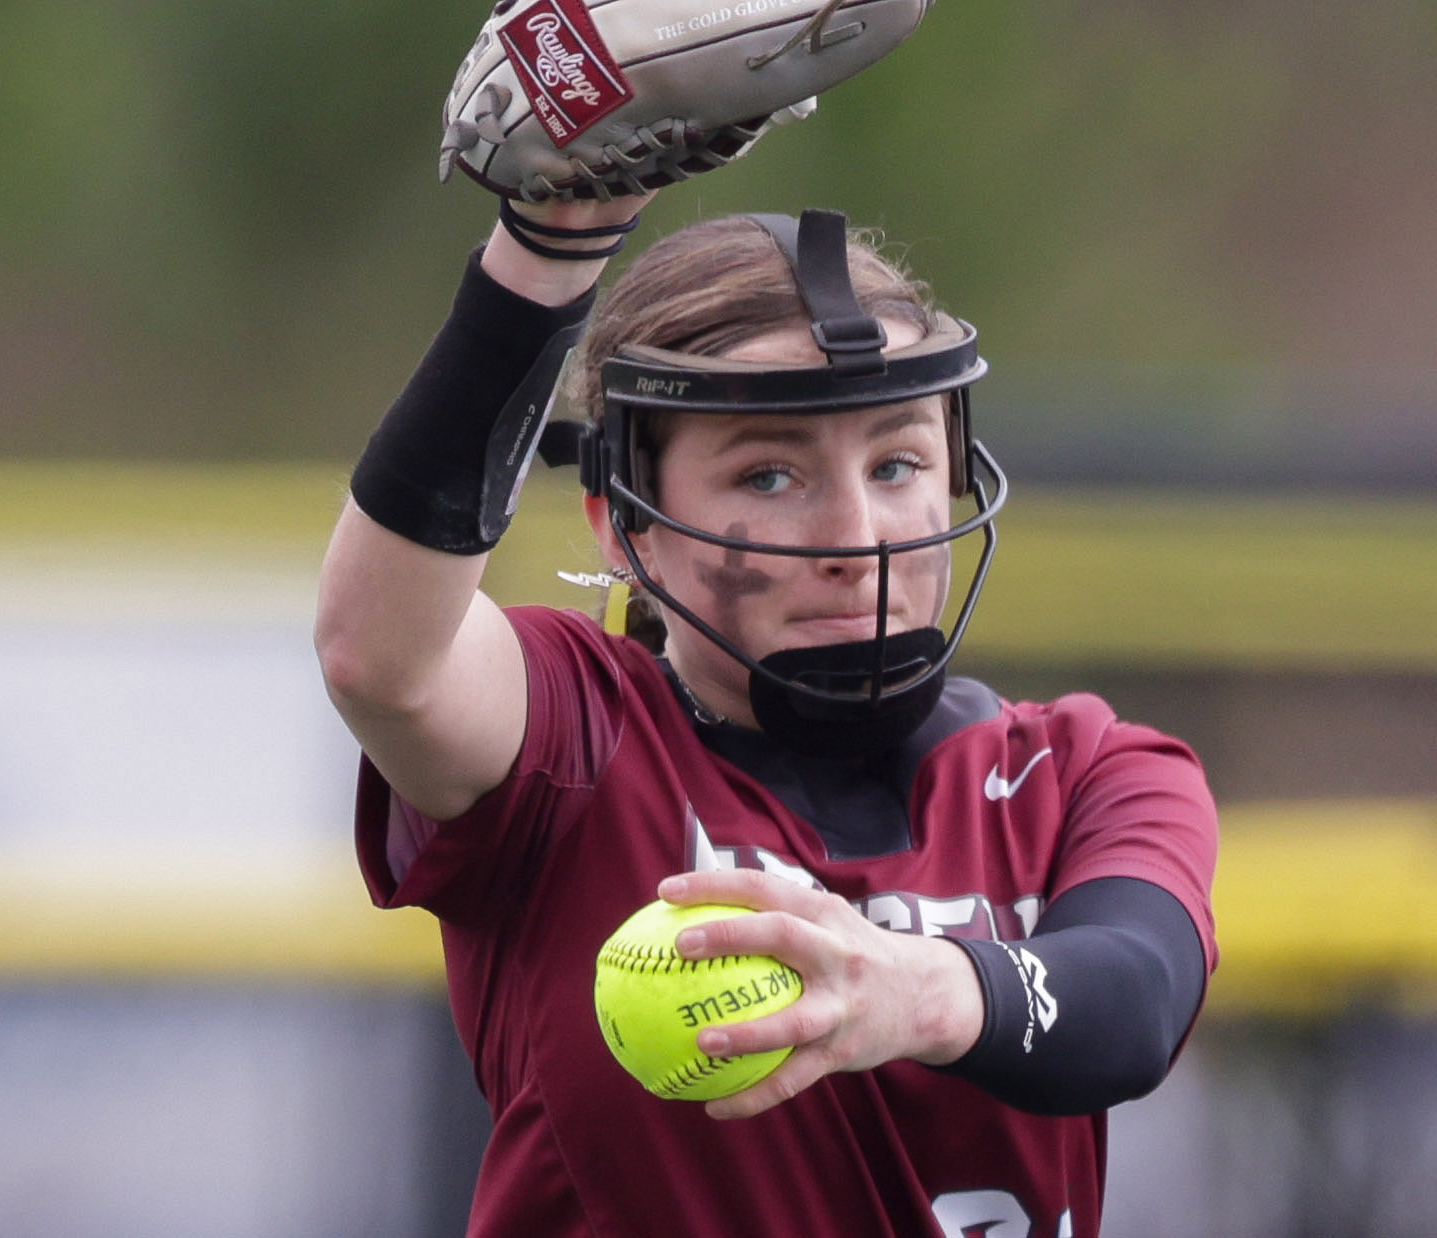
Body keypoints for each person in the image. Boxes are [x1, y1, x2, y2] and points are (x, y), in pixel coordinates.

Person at [314, 189, 1219, 1237]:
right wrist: (546, 249)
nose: (855, 533)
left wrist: (910, 991)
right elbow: (379, 657)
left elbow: (1136, 999)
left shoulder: (1086, 769)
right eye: (771, 472)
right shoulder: (578, 736)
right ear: (624, 526)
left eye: (896, 463)